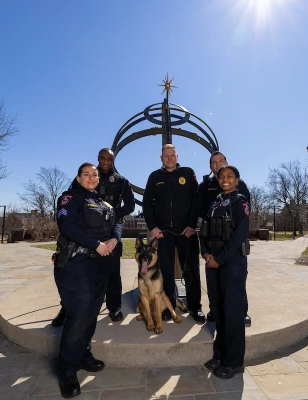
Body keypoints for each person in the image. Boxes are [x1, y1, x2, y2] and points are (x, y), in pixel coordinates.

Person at [54, 163, 122, 398]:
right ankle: (66, 369)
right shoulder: (70, 198)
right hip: (76, 265)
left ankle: (84, 354)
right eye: (87, 174)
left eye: (95, 175)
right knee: (79, 315)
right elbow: (67, 225)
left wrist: (114, 239)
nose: (92, 177)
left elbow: (117, 222)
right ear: (79, 177)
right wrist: (96, 245)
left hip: (100, 265)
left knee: (91, 313)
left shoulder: (105, 203)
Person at [51, 149, 134, 326]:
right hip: (84, 233)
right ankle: (66, 309)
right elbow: (72, 200)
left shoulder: (122, 181)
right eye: (102, 159)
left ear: (113, 160)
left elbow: (130, 206)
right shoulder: (87, 175)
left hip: (109, 233)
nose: (105, 162)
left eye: (109, 159)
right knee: (75, 283)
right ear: (98, 159)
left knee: (112, 275)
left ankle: (114, 307)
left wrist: (109, 214)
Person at [143, 144, 205, 323]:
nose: (169, 158)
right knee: (165, 272)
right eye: (166, 155)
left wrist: (192, 225)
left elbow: (196, 201)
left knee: (191, 270)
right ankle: (168, 307)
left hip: (187, 232)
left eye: (172, 155)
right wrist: (153, 227)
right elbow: (147, 204)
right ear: (161, 158)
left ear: (177, 156)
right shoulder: (155, 177)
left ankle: (195, 307)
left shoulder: (188, 173)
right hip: (163, 234)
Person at [200, 165, 250, 379]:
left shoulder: (241, 203)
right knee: (218, 310)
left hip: (232, 263)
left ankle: (234, 362)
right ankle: (220, 355)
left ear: (237, 180)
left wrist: (219, 259)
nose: (225, 179)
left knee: (232, 312)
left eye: (230, 176)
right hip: (213, 263)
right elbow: (203, 231)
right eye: (222, 176)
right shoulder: (215, 203)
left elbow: (239, 235)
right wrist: (206, 254)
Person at [197, 151, 252, 327]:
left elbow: (242, 218)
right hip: (212, 240)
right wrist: (205, 250)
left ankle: (241, 312)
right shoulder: (205, 186)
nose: (218, 164)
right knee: (215, 286)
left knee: (236, 283)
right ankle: (215, 310)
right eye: (214, 162)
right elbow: (200, 211)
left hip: (232, 244)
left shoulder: (239, 184)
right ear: (210, 167)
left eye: (221, 160)